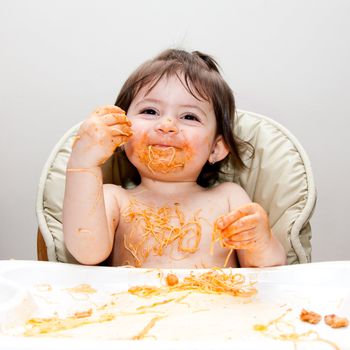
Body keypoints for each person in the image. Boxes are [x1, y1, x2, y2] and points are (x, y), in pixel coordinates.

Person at [63, 49, 286, 269]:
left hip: (217, 304)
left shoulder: (229, 198)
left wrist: (261, 243)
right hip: (133, 305)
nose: (166, 125)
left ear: (216, 148)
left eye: (189, 116)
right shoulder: (113, 200)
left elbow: (264, 270)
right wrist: (83, 163)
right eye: (150, 111)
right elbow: (86, 252)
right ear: (122, 134)